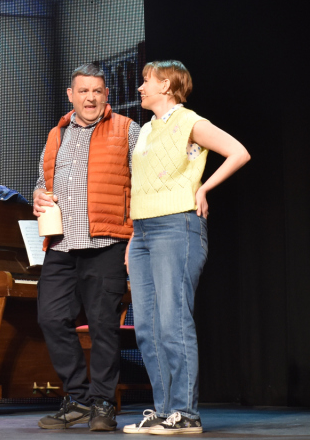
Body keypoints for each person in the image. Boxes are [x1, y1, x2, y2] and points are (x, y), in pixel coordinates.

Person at [125, 60, 249, 435]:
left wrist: (204, 188)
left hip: (176, 225)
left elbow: (238, 151)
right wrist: (133, 237)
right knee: (146, 328)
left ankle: (186, 412)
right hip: (143, 231)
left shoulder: (189, 121)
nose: (141, 87)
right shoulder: (147, 130)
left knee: (172, 322)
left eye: (146, 81)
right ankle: (165, 411)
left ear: (166, 85)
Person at [32, 63, 139, 432]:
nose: (90, 98)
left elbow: (143, 184)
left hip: (107, 242)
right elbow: (42, 180)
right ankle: (77, 398)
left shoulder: (127, 129)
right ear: (71, 95)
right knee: (50, 317)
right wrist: (38, 196)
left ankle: (103, 404)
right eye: (83, 91)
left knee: (103, 326)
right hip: (62, 244)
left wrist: (136, 235)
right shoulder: (57, 134)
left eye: (97, 91)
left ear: (106, 94)